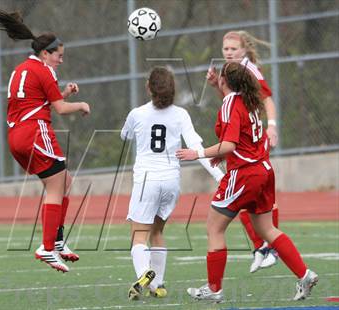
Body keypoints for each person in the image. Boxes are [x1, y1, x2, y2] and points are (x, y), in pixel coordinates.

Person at [176, 62, 318, 302]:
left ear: (223, 80)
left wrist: (197, 153)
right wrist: (222, 155)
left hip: (245, 173)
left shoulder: (231, 103)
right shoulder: (248, 100)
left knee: (214, 227)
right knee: (266, 229)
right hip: (262, 169)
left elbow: (231, 143)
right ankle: (304, 274)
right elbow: (243, 140)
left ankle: (214, 288)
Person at [0, 10, 90, 272]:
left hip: (16, 137)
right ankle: (47, 247)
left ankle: (57, 242)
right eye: (58, 55)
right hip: (35, 132)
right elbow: (59, 109)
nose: (60, 60)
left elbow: (36, 100)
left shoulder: (22, 69)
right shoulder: (45, 71)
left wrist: (64, 92)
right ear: (45, 53)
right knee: (56, 187)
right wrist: (79, 103)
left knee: (64, 181)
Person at [121, 67, 224, 300]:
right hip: (171, 181)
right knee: (157, 231)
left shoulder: (137, 114)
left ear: (149, 87)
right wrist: (219, 175)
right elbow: (197, 146)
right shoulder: (181, 114)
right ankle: (157, 284)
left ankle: (144, 272)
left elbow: (124, 136)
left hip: (147, 179)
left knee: (139, 234)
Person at [206, 30, 279, 272]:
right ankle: (263, 246)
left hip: (253, 140)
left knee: (255, 191)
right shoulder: (229, 71)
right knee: (247, 195)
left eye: (233, 49)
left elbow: (266, 100)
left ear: (244, 50)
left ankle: (270, 247)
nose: (228, 53)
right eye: (225, 49)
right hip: (243, 139)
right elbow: (233, 101)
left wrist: (272, 126)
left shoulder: (250, 69)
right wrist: (218, 85)